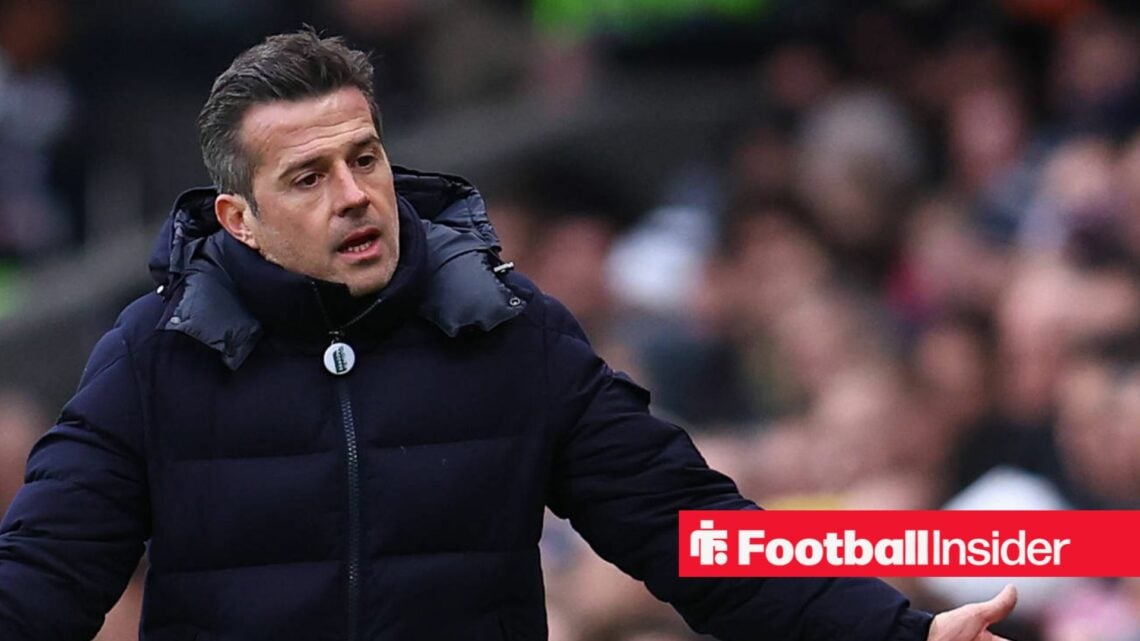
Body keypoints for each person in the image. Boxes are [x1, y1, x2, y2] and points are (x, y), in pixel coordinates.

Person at [0, 29, 1017, 641]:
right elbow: (43, 579)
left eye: (366, 157)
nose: (355, 195)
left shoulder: (512, 331)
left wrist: (893, 629)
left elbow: (693, 530)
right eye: (309, 177)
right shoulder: (152, 354)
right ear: (241, 220)